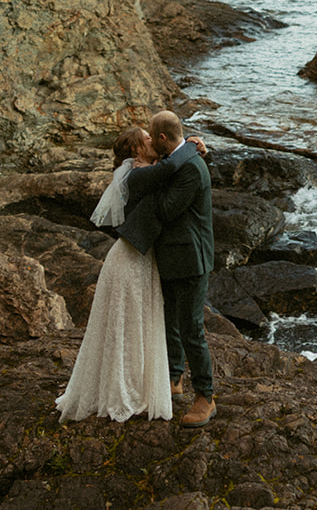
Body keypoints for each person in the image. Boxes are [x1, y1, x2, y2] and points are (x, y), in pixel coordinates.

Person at [55, 126, 177, 422]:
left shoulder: (148, 169)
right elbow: (173, 166)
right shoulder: (136, 175)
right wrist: (188, 145)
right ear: (136, 149)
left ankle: (137, 387)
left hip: (140, 258)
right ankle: (124, 391)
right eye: (148, 138)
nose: (153, 139)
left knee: (139, 322)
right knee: (128, 325)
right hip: (128, 260)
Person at [146, 109, 217, 428]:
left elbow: (166, 209)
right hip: (172, 256)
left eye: (151, 136)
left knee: (191, 327)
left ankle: (206, 397)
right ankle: (175, 378)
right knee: (169, 319)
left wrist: (145, 177)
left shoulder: (190, 167)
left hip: (191, 259)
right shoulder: (179, 158)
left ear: (162, 139)